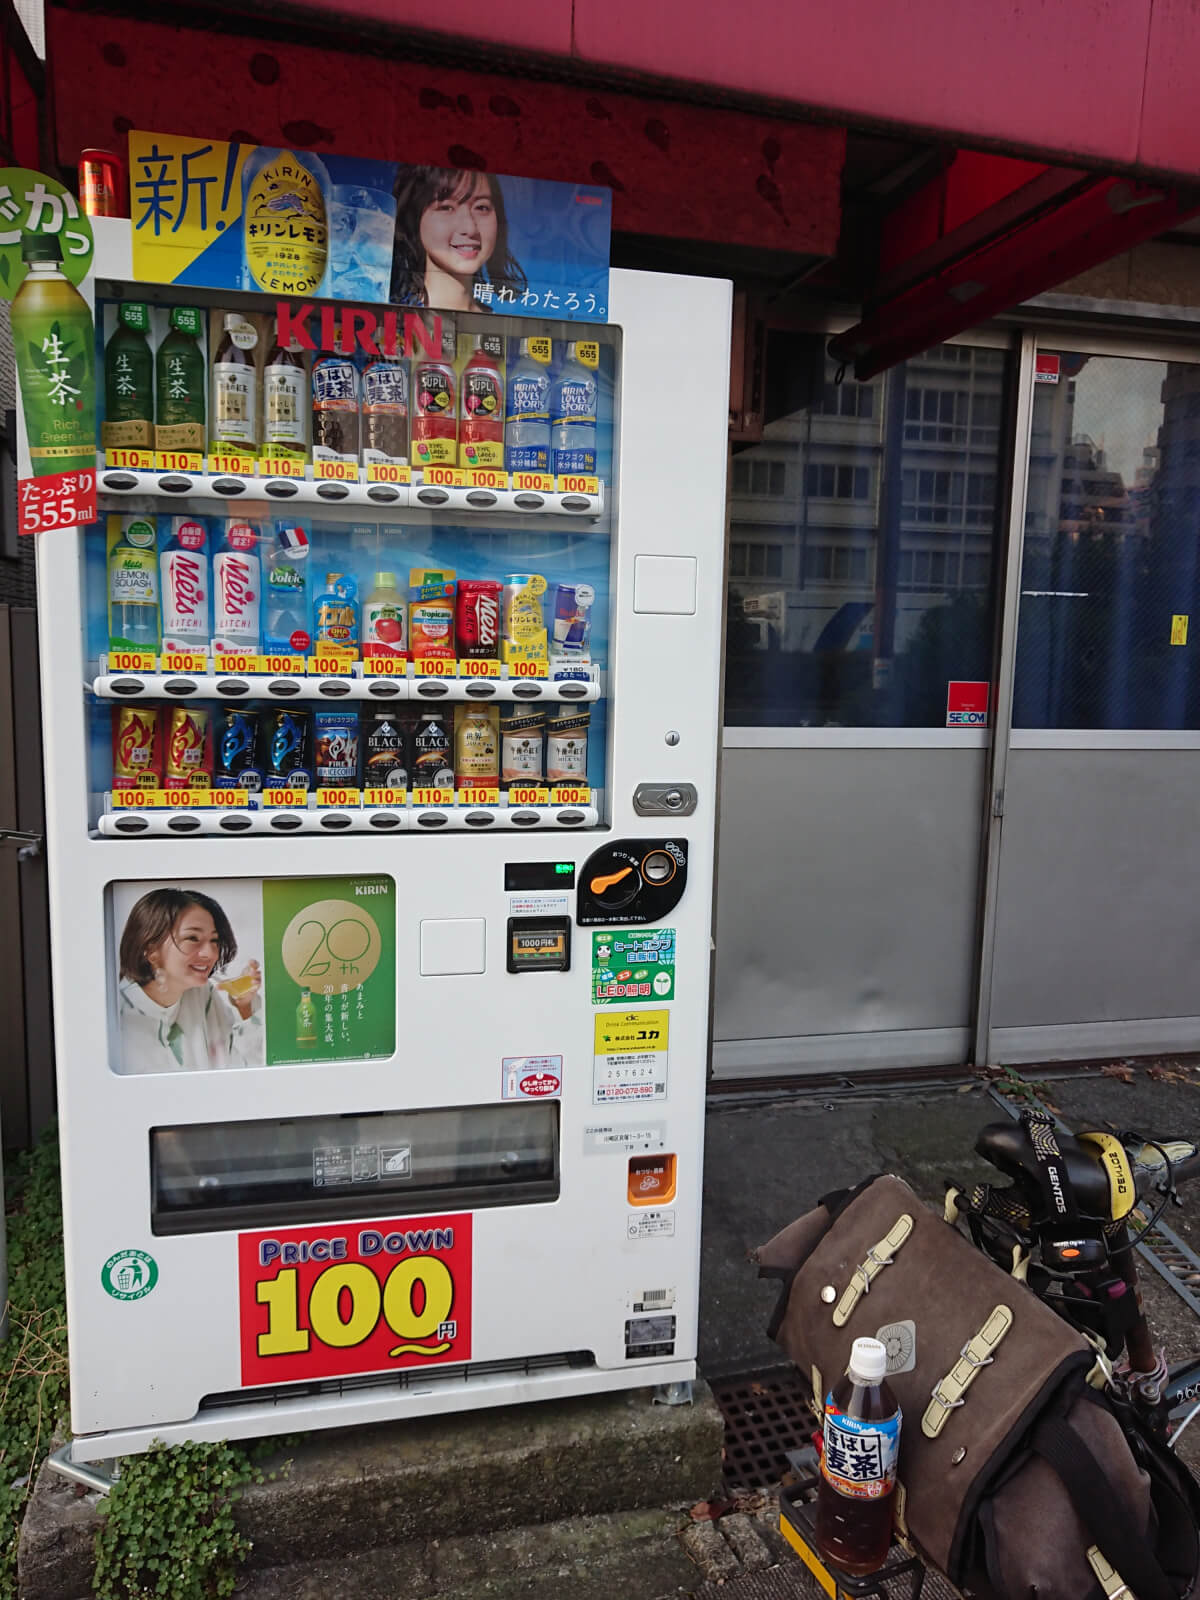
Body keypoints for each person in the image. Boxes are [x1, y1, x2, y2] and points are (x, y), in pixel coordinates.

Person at [117, 888, 263, 1073]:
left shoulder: (202, 996)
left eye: (214, 940)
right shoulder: (117, 1018)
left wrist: (244, 1006)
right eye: (193, 938)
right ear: (152, 950)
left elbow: (243, 1068)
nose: (210, 953)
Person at [390, 165, 527, 311]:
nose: (470, 229)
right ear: (414, 218)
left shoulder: (507, 322)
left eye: (481, 207)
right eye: (446, 208)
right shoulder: (389, 317)